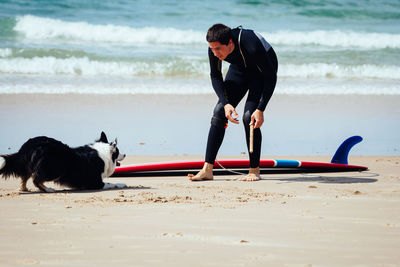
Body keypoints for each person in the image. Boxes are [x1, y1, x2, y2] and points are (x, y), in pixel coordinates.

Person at [189, 23, 278, 182]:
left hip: (262, 74)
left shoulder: (251, 44)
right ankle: (207, 169)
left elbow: (271, 77)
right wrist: (226, 103)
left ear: (230, 43)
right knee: (219, 112)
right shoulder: (214, 48)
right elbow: (215, 76)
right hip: (239, 70)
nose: (214, 53)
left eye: (218, 49)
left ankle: (254, 170)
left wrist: (261, 109)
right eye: (211, 49)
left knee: (249, 117)